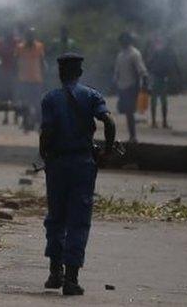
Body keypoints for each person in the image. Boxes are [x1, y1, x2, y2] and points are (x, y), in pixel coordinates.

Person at [39, 53, 117, 296]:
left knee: (56, 217)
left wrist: (45, 155)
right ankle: (71, 279)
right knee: (78, 220)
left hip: (58, 164)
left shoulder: (50, 98)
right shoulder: (92, 95)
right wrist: (106, 151)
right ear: (80, 73)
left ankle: (55, 273)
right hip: (83, 164)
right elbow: (109, 123)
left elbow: (47, 133)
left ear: (60, 74)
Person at [113, 32, 148, 142]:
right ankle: (132, 135)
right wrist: (115, 85)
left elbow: (142, 71)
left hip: (131, 87)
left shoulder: (134, 54)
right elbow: (117, 72)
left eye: (124, 40)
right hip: (122, 87)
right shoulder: (120, 55)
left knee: (129, 112)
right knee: (125, 111)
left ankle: (133, 136)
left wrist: (144, 86)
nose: (122, 43)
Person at [15, 28, 47, 132]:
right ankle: (26, 122)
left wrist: (44, 75)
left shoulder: (39, 46)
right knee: (25, 103)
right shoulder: (20, 47)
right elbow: (16, 62)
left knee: (37, 103)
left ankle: (39, 123)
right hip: (24, 80)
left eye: (31, 35)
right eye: (28, 35)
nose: (30, 37)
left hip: (36, 79)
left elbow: (42, 62)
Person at [146, 35, 178, 129]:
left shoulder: (161, 53)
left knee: (160, 101)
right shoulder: (158, 53)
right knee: (156, 101)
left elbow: (149, 63)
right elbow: (149, 63)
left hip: (161, 78)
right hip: (158, 78)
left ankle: (159, 122)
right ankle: (157, 122)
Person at [0, 29, 18, 124]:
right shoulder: (3, 44)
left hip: (12, 73)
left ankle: (13, 117)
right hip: (7, 74)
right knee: (8, 97)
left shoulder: (15, 43)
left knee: (14, 97)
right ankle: (8, 117)